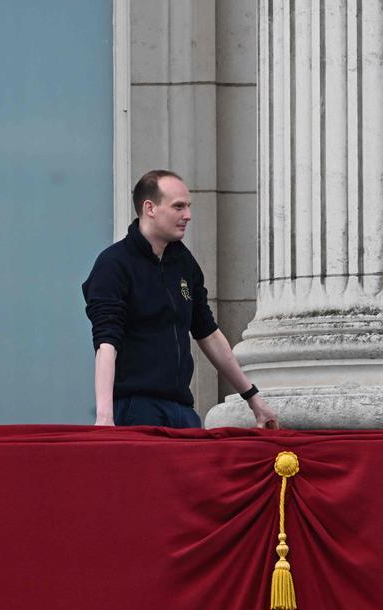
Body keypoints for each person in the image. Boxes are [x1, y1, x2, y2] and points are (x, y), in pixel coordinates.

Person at [82, 170, 279, 429]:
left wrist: (254, 400)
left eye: (188, 206)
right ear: (149, 208)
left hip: (182, 411)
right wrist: (105, 418)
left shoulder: (184, 263)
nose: (188, 215)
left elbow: (207, 332)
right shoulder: (113, 265)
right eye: (178, 207)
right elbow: (106, 343)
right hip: (136, 411)